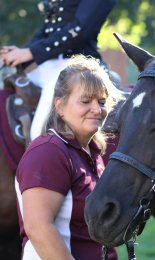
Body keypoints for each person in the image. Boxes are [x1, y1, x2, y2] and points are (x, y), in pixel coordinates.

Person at [15, 55, 121, 260]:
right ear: (60, 106)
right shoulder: (48, 153)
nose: (97, 109)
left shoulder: (92, 151)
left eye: (101, 101)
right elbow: (38, 228)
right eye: (85, 101)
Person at [0, 0, 116, 141]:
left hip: (77, 65)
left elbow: (80, 30)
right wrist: (20, 54)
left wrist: (31, 52)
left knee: (37, 132)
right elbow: (48, 30)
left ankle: (40, 157)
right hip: (50, 65)